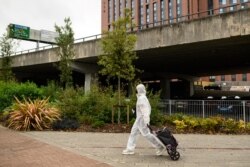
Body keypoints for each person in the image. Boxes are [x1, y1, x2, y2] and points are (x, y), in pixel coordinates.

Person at [122, 84, 165, 155]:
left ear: (139, 90)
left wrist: (146, 120)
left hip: (142, 120)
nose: (136, 91)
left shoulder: (142, 98)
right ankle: (130, 149)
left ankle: (159, 146)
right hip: (139, 120)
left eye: (137, 89)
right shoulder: (142, 97)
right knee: (133, 133)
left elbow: (145, 110)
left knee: (146, 134)